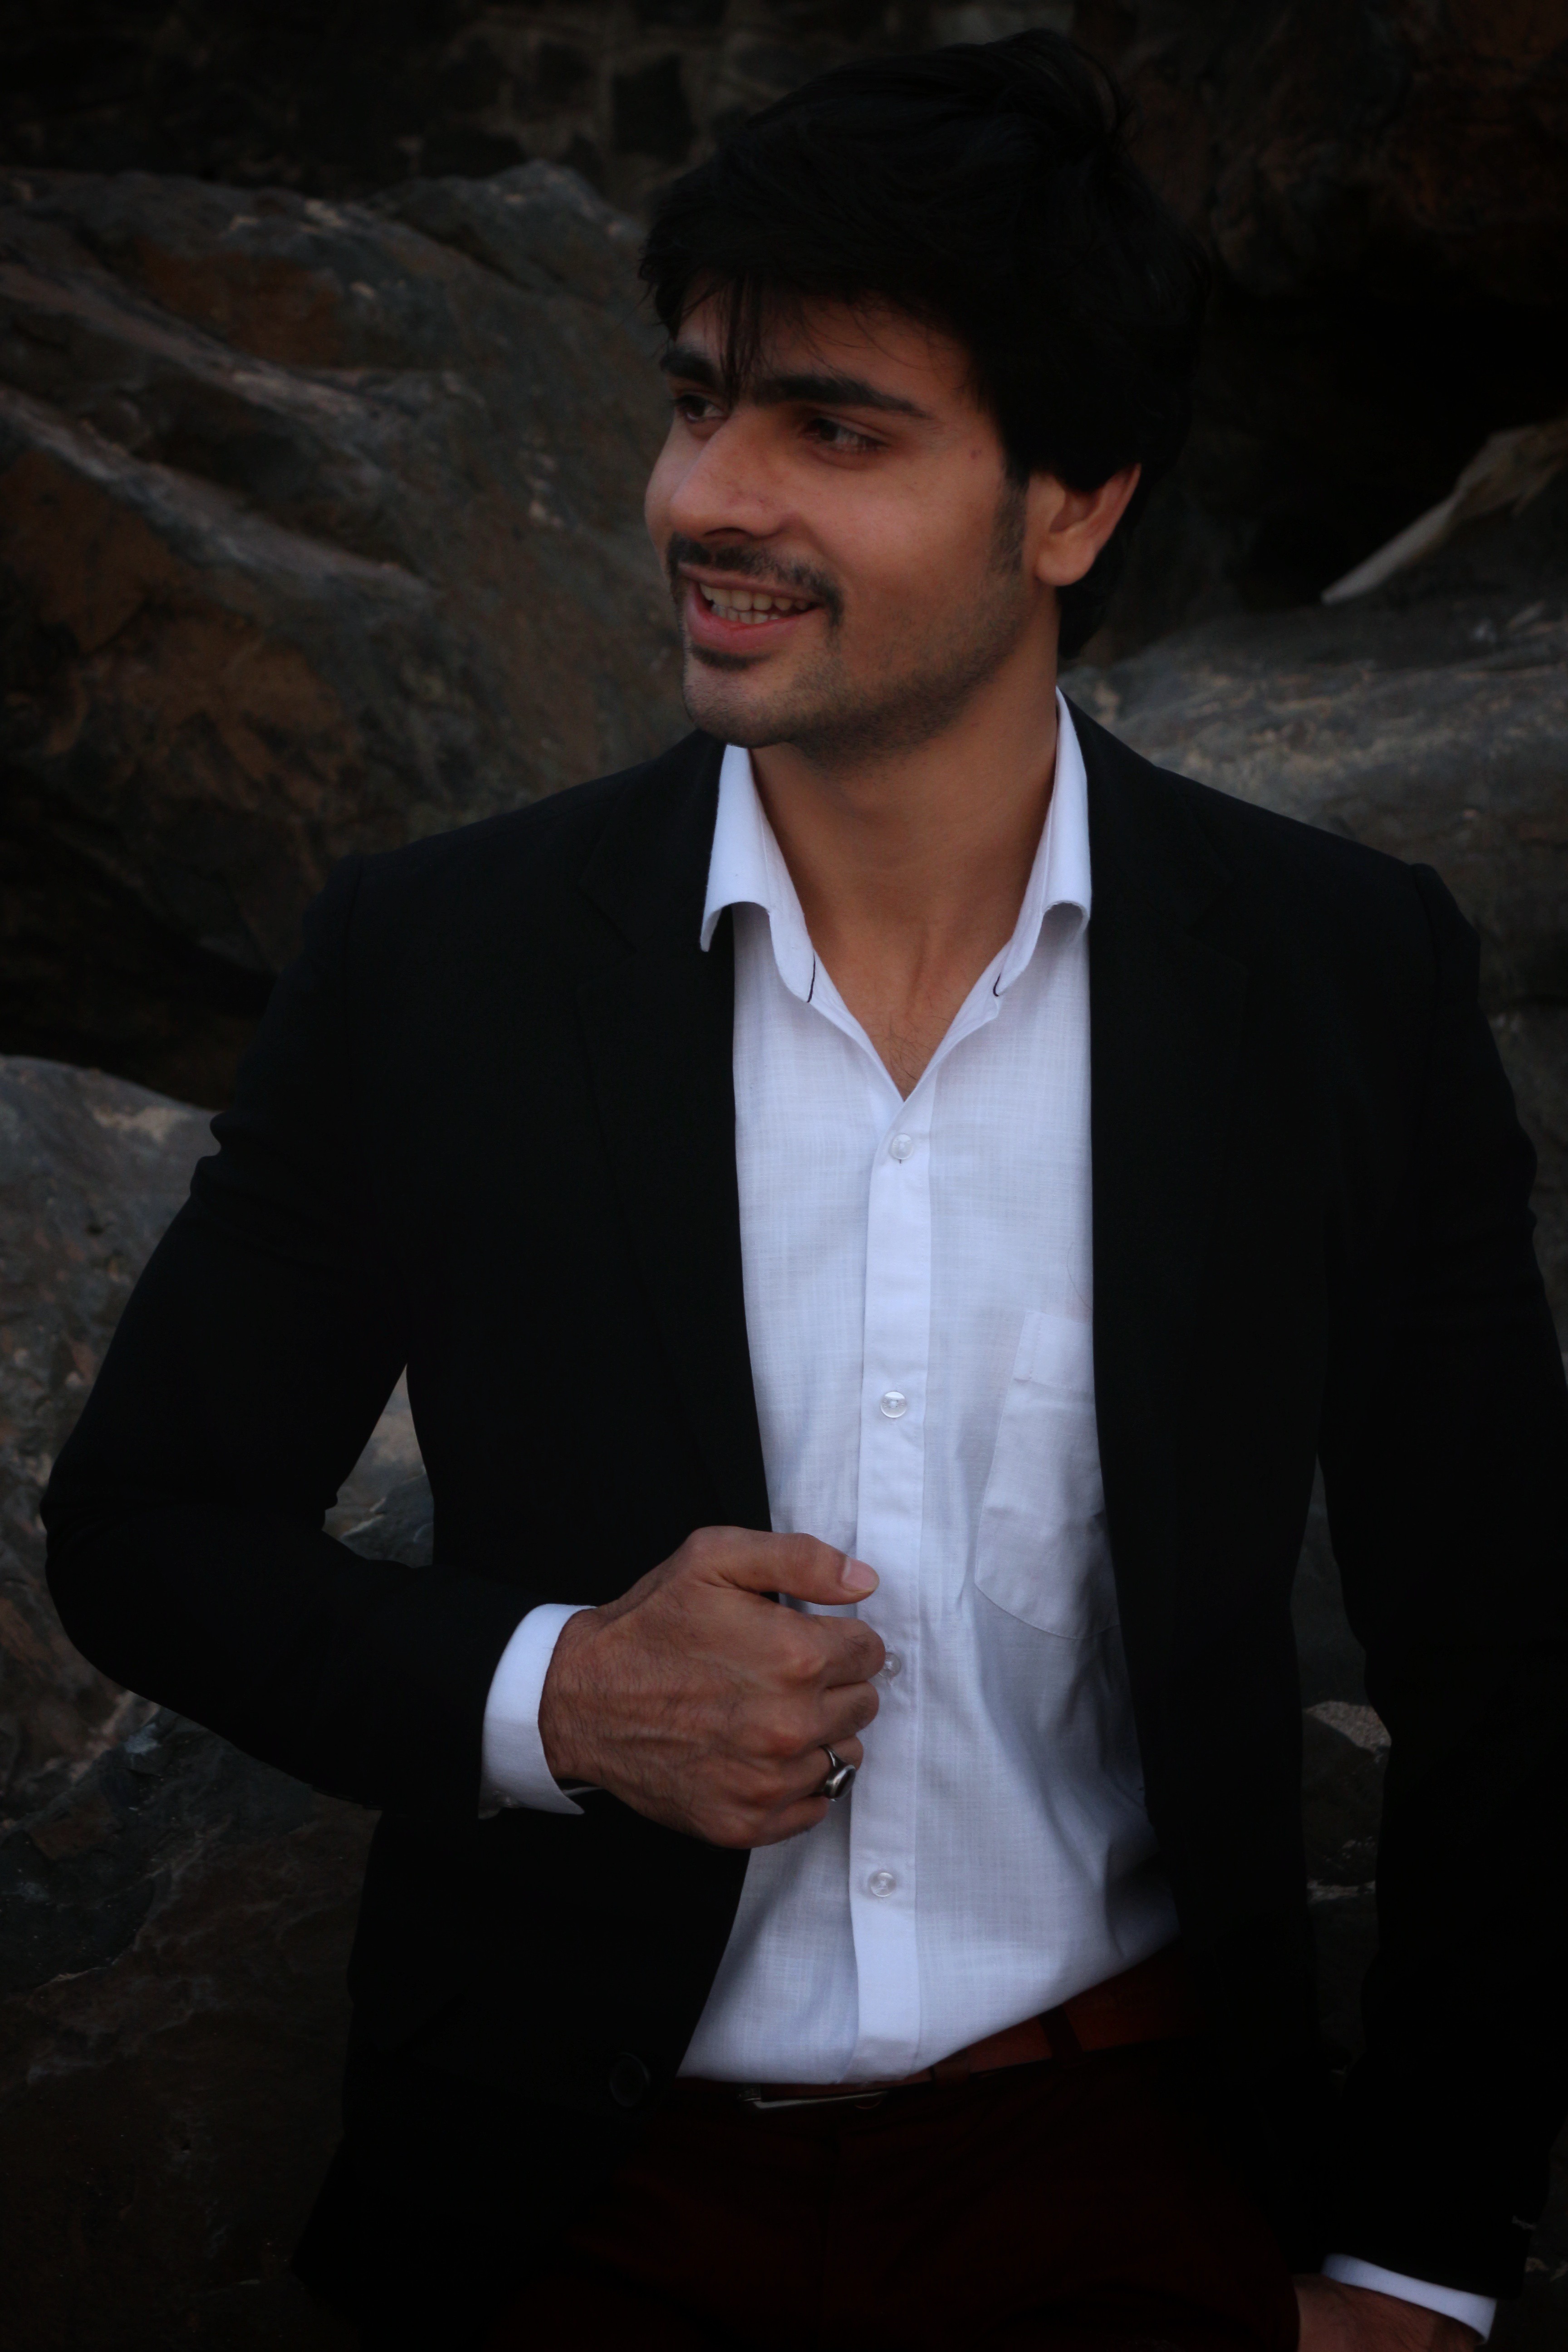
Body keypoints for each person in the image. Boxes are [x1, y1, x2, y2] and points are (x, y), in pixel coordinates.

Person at [43, 32, 1566, 2352]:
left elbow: (1504, 1660)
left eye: (834, 430)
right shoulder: (438, 961)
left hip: (1119, 2182)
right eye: (695, 402)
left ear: (1073, 507)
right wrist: (560, 1695)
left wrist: (1420, 2259)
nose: (705, 497)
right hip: (562, 2208)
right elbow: (144, 1527)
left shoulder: (1341, 978)